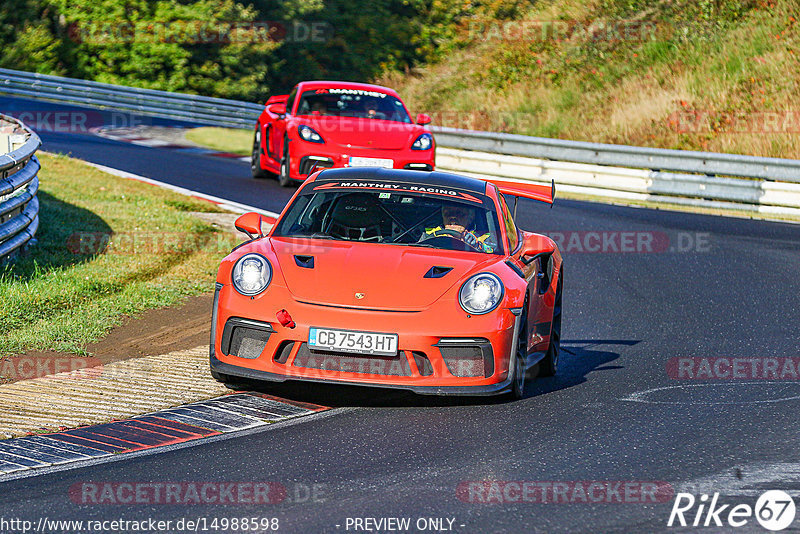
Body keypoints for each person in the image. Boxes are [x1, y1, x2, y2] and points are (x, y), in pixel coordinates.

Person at [424, 203, 494, 252]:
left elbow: (493, 251)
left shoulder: (484, 237)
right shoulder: (428, 233)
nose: (453, 217)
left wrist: (478, 246)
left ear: (471, 217)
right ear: (443, 216)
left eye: (459, 213)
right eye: (448, 213)